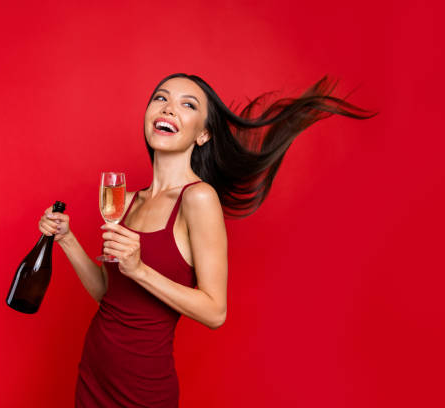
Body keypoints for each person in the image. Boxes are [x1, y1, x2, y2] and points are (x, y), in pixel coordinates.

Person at [38, 73, 377, 407]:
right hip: (94, 374)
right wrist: (67, 240)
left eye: (187, 104)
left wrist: (140, 270)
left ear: (202, 134)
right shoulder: (125, 201)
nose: (168, 108)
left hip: (142, 388)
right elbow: (107, 294)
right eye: (161, 98)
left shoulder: (198, 199)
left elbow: (215, 311)